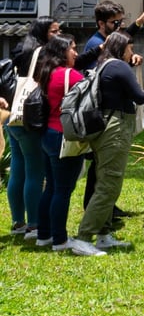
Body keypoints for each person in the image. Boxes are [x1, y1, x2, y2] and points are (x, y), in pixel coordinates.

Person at [74, 32, 144, 249]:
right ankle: (83, 237)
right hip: (114, 129)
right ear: (121, 48)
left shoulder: (105, 65)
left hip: (105, 128)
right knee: (109, 185)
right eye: (130, 48)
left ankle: (103, 234)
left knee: (105, 181)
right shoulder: (119, 66)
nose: (132, 52)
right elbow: (141, 97)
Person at [33, 35, 102, 255]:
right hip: (65, 135)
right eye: (72, 49)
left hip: (48, 134)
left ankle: (44, 235)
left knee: (51, 187)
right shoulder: (70, 75)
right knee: (63, 191)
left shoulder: (46, 73)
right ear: (62, 51)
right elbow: (92, 94)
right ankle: (60, 240)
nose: (76, 53)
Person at [5, 17, 58, 240]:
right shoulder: (42, 53)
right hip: (31, 118)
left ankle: (18, 221)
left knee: (18, 169)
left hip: (14, 116)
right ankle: (34, 224)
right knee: (35, 171)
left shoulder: (21, 48)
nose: (57, 34)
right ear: (43, 33)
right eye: (54, 31)